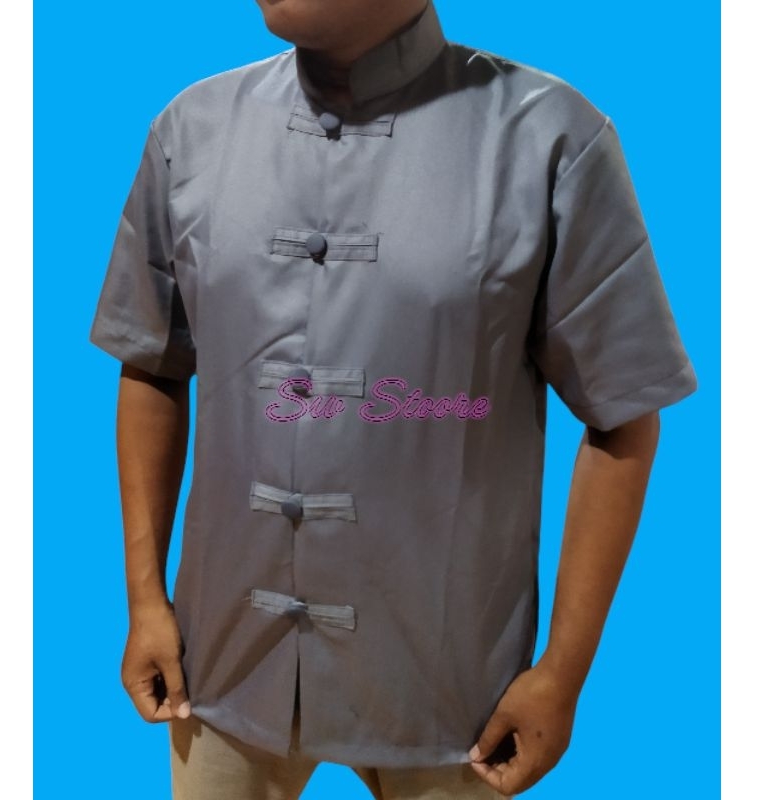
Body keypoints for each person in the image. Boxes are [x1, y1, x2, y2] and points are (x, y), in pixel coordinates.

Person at [88, 0, 698, 797]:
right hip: (221, 659)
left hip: (455, 689)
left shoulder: (549, 139)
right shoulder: (191, 130)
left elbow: (623, 414)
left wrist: (562, 672)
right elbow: (153, 363)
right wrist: (146, 600)